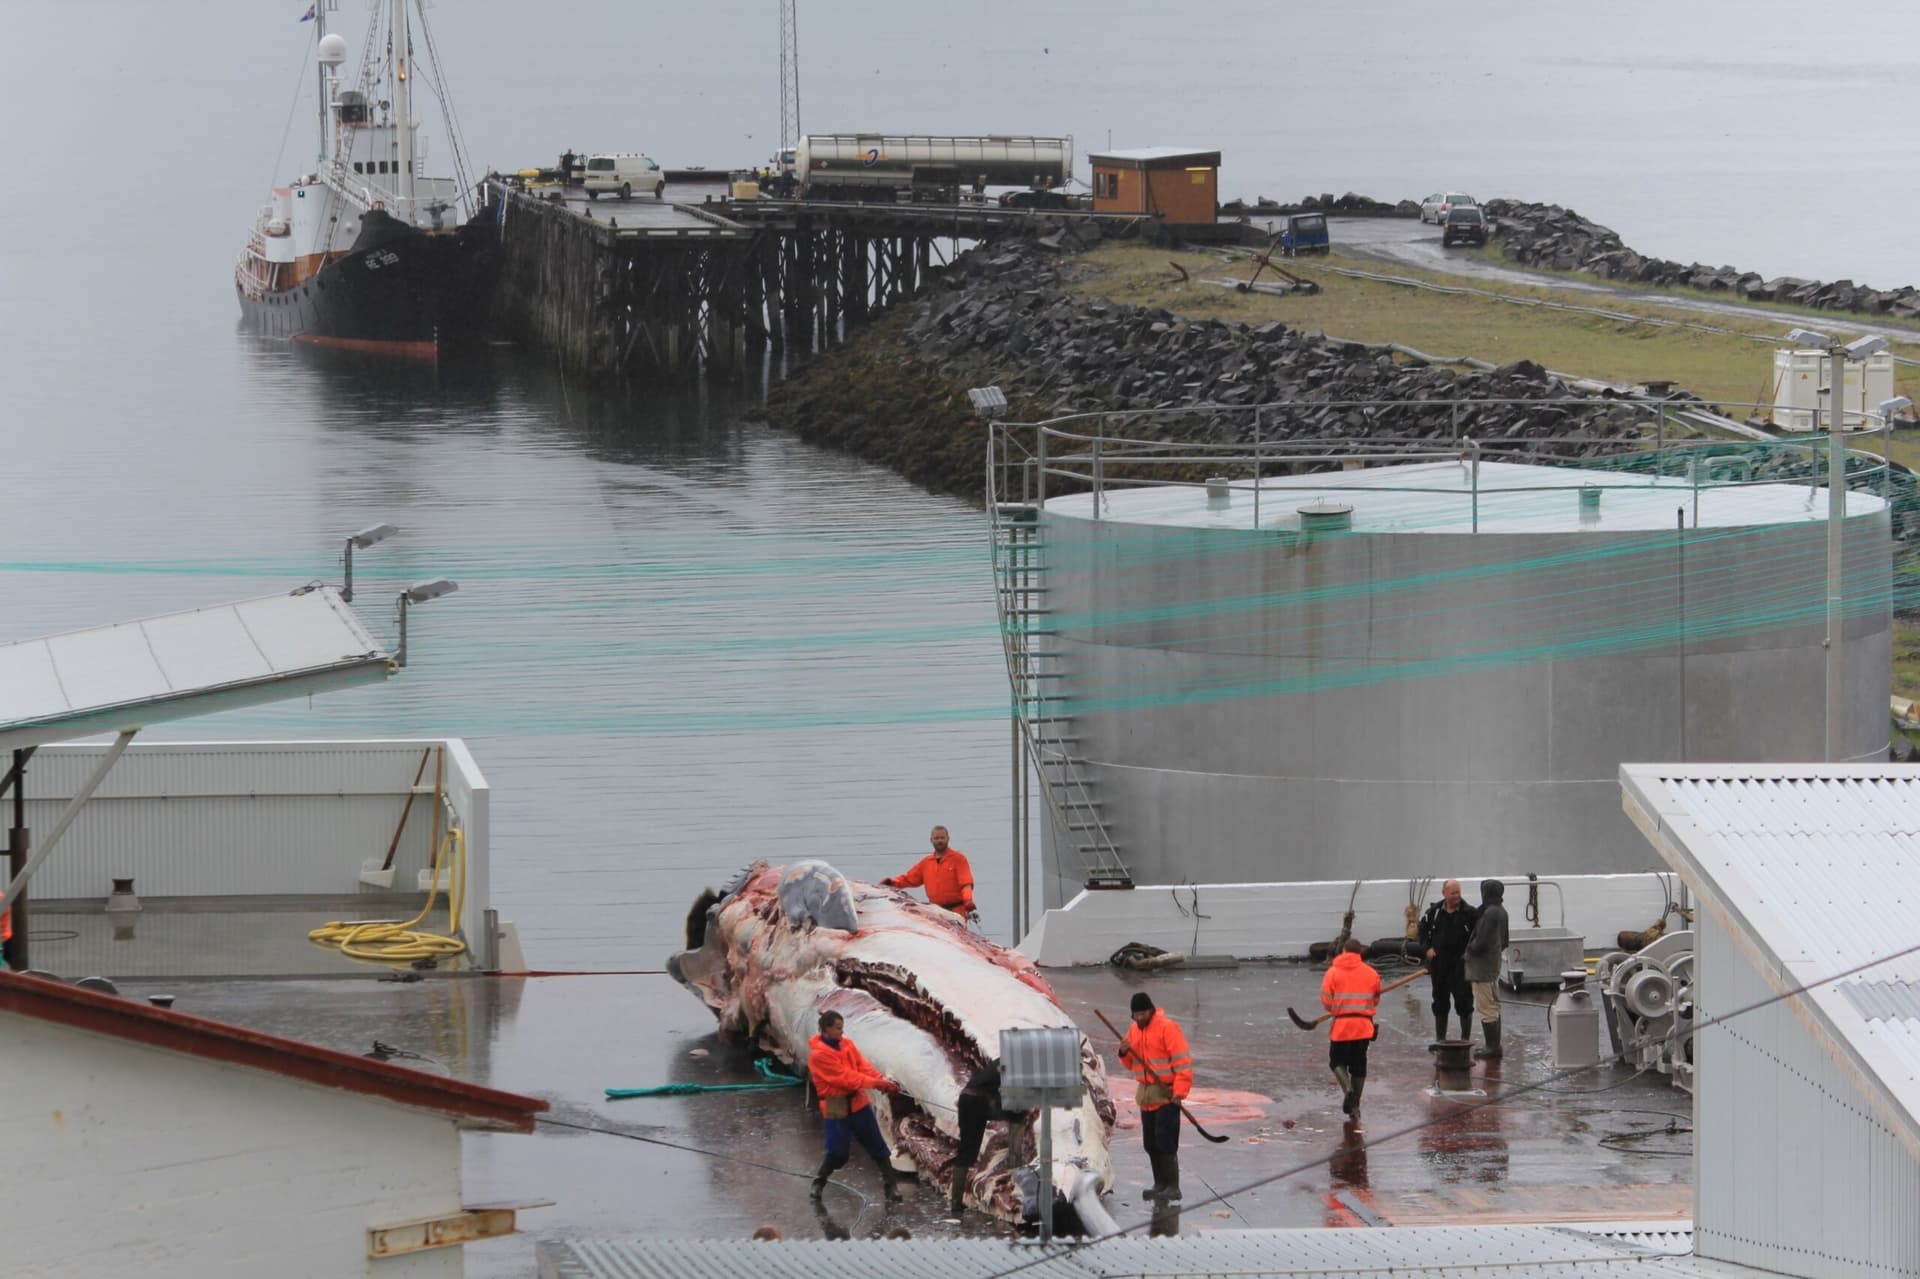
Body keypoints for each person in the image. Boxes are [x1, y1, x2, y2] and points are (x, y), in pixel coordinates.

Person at [805, 1010, 904, 1203]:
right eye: (838, 1028)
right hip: (836, 1102)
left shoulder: (847, 1045)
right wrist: (875, 1084)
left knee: (877, 1144)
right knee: (838, 1151)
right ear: (826, 1029)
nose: (842, 1032)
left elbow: (862, 1066)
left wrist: (882, 1080)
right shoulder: (818, 1056)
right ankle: (820, 1180)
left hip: (858, 1100)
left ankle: (891, 1186)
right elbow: (845, 1078)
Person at [1117, 991, 1192, 1202]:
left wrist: (1180, 1092)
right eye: (1136, 1015)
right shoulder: (1134, 1030)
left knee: (1166, 1141)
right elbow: (1131, 1063)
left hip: (1166, 1094)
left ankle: (1173, 1186)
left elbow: (1182, 1062)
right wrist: (1123, 1052)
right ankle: (1159, 1184)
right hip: (1146, 1094)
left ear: (1150, 1010)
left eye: (1143, 1014)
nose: (1139, 1018)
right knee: (1150, 1142)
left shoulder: (1167, 1028)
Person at [949, 1057, 1032, 1215]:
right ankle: (1016, 1177)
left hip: (966, 1096)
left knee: (966, 1152)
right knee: (1019, 1118)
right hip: (980, 1101)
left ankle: (956, 1203)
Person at [1321, 939, 1383, 1119]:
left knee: (1336, 1062)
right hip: (1364, 1026)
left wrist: (1336, 1008)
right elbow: (1376, 999)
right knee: (1359, 1065)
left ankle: (1348, 1089)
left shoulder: (1332, 973)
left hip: (1342, 1026)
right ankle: (1355, 1106)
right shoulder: (1371, 973)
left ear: (1343, 952)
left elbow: (1326, 1001)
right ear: (1359, 953)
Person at [1417, 879, 1480, 1042]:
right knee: (1440, 1002)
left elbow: (1479, 935)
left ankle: (1465, 1040)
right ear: (1444, 893)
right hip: (1439, 965)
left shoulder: (1470, 913)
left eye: (1458, 892)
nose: (1456, 896)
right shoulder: (1434, 912)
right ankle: (1440, 1039)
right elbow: (1422, 930)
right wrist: (1427, 948)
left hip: (1460, 966)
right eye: (1453, 893)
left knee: (1464, 1003)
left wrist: (1469, 951)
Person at [882, 826, 977, 923]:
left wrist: (968, 900)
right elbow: (909, 879)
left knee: (955, 935)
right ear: (931, 840)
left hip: (956, 911)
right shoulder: (926, 862)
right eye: (936, 838)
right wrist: (891, 883)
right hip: (936, 911)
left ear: (948, 839)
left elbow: (966, 884)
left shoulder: (959, 859)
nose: (939, 841)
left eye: (942, 838)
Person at [1465, 878, 1511, 1059]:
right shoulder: (1502, 911)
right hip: (1494, 965)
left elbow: (1480, 943)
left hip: (1481, 968)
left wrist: (1469, 949)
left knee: (1486, 1008)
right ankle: (1494, 1045)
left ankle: (1492, 1047)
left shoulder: (1490, 913)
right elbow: (1505, 940)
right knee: (1494, 1005)